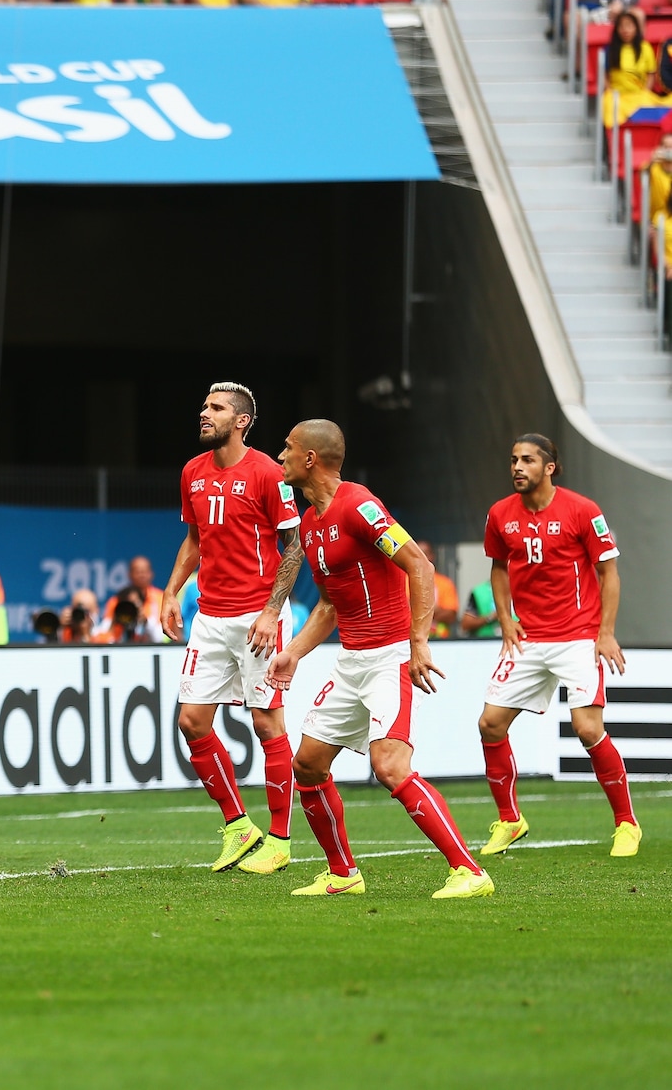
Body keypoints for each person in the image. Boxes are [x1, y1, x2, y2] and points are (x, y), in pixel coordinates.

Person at [265, 419, 494, 900]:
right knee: (306, 765)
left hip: (390, 656)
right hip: (352, 659)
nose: (280, 455)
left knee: (389, 766)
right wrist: (293, 654)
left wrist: (418, 643)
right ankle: (342, 873)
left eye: (287, 448)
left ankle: (468, 871)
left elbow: (419, 564)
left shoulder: (359, 505)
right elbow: (328, 606)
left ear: (311, 459)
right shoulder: (310, 525)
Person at [158, 382, 303, 875]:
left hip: (258, 617)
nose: (204, 413)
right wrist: (172, 590)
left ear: (241, 421)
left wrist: (270, 611)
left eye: (216, 408)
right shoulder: (192, 473)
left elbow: (295, 547)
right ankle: (239, 826)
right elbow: (194, 539)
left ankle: (280, 839)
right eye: (204, 405)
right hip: (211, 619)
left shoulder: (268, 472)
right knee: (191, 721)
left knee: (266, 723)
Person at [473, 434, 638, 859]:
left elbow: (609, 573)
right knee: (490, 724)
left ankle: (626, 823)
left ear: (549, 467)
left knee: (587, 729)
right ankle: (510, 820)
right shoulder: (499, 514)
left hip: (578, 636)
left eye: (527, 460)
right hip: (529, 637)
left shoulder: (582, 510)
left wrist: (605, 632)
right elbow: (498, 569)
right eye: (513, 460)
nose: (517, 467)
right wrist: (506, 619)